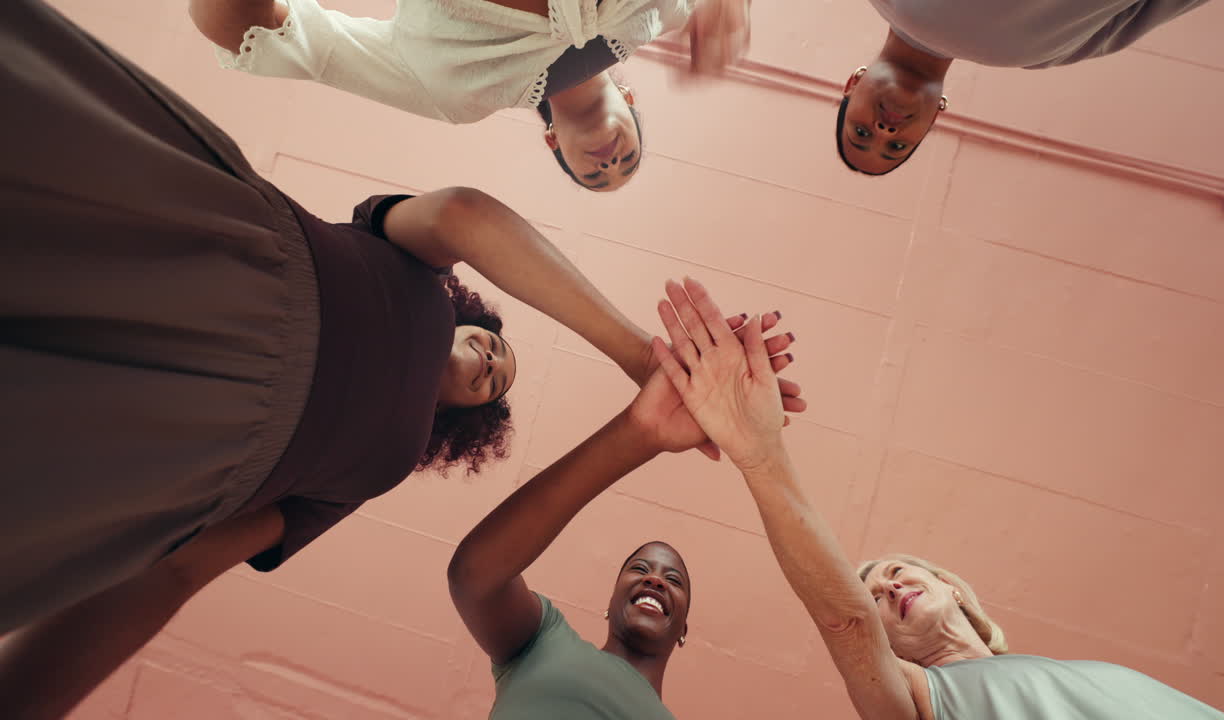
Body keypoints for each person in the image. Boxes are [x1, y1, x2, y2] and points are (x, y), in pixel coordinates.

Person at [0, 5, 786, 716]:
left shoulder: (380, 465)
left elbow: (174, 572)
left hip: (172, 445)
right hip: (220, 250)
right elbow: (466, 216)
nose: (490, 360)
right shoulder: (414, 266)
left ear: (461, 425)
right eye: (497, 345)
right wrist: (635, 356)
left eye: (496, 383)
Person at [649, 277, 1224, 719]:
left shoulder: (1090, 676)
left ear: (954, 588)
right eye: (876, 595)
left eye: (898, 573)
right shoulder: (925, 701)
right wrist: (759, 451)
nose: (890, 587)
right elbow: (846, 620)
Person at [448, 317, 805, 718]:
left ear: (683, 629)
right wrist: (639, 431)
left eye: (673, 580)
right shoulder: (542, 640)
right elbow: (474, 577)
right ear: (610, 602)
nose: (654, 578)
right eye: (640, 569)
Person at [190, 0, 751, 191]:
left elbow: (253, 35)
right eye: (627, 158)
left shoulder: (455, 94)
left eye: (594, 174)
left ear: (553, 140)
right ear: (629, 99)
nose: (609, 161)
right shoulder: (670, 11)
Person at [836, 0, 1211, 175]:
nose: (885, 130)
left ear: (853, 83)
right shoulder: (1049, 53)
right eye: (897, 146)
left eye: (862, 132)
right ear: (936, 115)